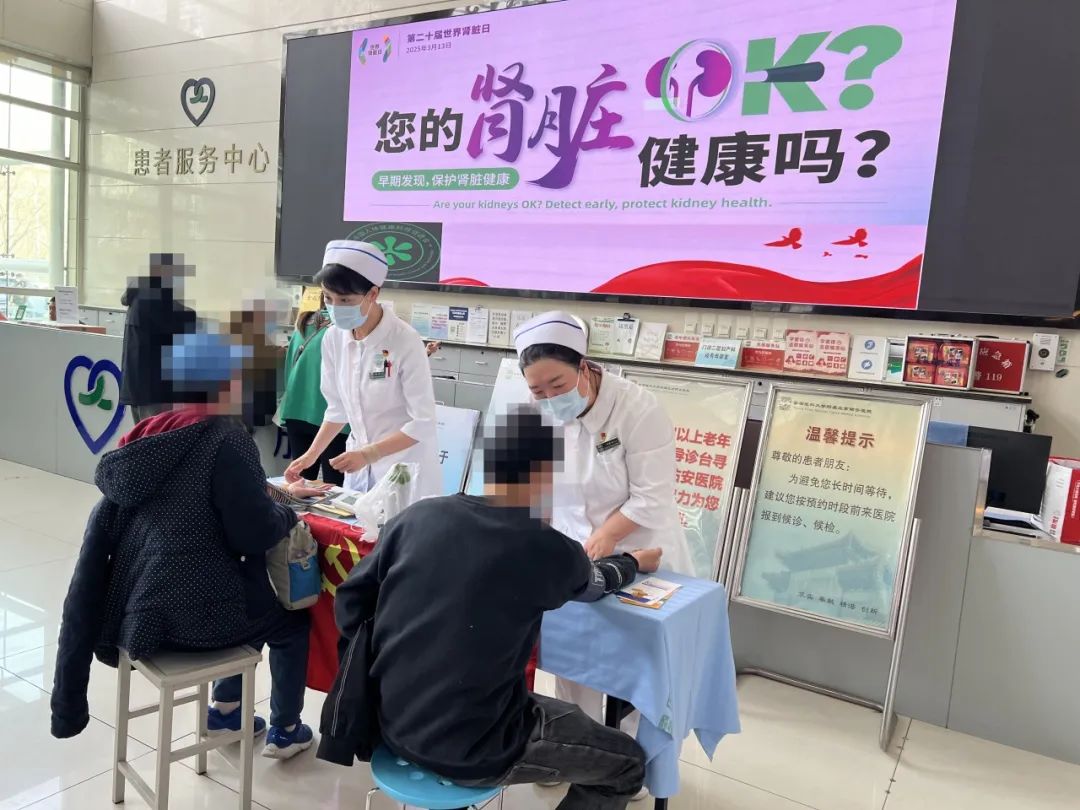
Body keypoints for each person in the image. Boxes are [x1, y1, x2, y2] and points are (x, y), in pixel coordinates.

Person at [320, 405, 659, 810]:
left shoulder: (417, 517)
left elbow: (352, 601)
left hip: (387, 720)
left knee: (559, 714)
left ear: (488, 461)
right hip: (476, 745)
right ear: (547, 474)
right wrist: (633, 561)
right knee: (627, 764)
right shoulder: (544, 545)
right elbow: (595, 584)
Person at [51, 328, 316, 760]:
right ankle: (286, 729)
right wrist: (288, 513)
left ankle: (227, 712)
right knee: (289, 622)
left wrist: (277, 495)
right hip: (197, 621)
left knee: (248, 599)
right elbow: (252, 533)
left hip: (139, 619)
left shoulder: (144, 441)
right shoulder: (227, 437)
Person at [512, 310, 694, 755]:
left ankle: (634, 758)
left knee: (638, 669)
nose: (549, 397)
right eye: (538, 390)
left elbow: (652, 495)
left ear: (584, 366)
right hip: (573, 550)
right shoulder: (532, 412)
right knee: (574, 659)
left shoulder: (637, 408)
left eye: (557, 384)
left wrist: (608, 536)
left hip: (641, 550)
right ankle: (578, 751)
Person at [284, 240, 439, 496]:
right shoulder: (333, 337)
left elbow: (423, 422)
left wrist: (369, 454)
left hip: (403, 465)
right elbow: (337, 408)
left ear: (373, 294)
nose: (335, 308)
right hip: (358, 465)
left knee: (395, 519)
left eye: (345, 300)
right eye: (328, 298)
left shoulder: (404, 340)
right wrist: (310, 455)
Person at [118, 253, 198, 423]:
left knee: (141, 435)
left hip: (136, 386)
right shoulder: (155, 296)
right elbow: (179, 322)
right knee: (156, 434)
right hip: (152, 389)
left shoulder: (139, 295)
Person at [278, 305, 349, 485]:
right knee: (333, 485)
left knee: (300, 481)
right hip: (332, 420)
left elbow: (289, 369)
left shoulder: (303, 325)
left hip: (296, 412)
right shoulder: (344, 331)